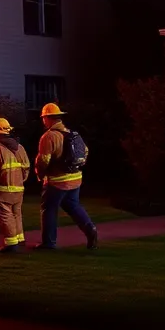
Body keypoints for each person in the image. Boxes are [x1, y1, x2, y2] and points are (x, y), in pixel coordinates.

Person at [34, 102, 98, 250]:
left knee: (49, 210)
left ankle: (48, 243)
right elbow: (85, 152)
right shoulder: (73, 134)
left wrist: (40, 175)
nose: (43, 120)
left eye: (43, 118)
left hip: (56, 181)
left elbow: (43, 161)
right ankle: (90, 228)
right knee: (73, 206)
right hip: (75, 179)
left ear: (48, 118)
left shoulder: (49, 136)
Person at [0, 117, 30, 253]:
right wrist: (20, 181)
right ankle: (20, 239)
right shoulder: (19, 147)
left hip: (4, 190)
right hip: (19, 189)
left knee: (5, 215)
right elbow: (26, 167)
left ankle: (11, 244)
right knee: (16, 214)